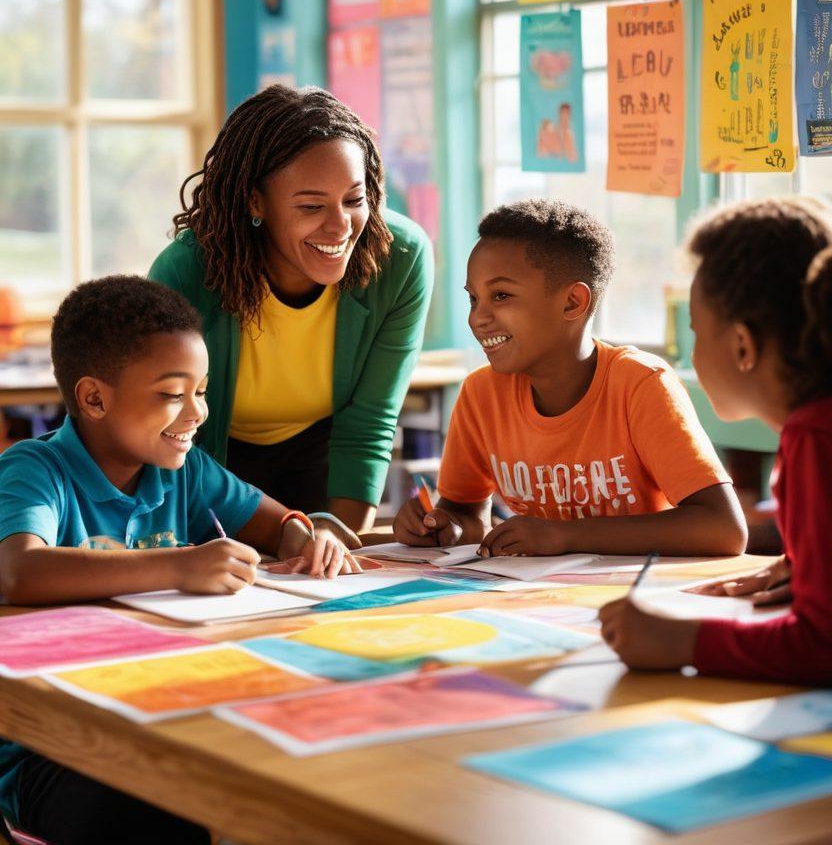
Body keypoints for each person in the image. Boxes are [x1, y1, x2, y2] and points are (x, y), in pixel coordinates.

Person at [0, 275, 356, 845]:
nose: (197, 413)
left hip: (165, 718)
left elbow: (277, 522)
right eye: (172, 393)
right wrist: (180, 565)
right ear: (93, 398)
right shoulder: (36, 471)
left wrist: (304, 537)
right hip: (54, 750)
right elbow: (21, 572)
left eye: (203, 390)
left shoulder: (183, 470)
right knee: (176, 816)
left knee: (289, 783)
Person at [149, 84, 433, 541]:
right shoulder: (186, 272)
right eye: (311, 206)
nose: (340, 225)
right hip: (206, 462)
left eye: (354, 200)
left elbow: (369, 423)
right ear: (255, 201)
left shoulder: (399, 257)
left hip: (323, 457)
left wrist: (337, 540)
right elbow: (164, 429)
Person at [393, 199, 746, 557]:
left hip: (635, 592)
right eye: (473, 299)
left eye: (501, 296)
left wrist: (566, 536)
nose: (477, 318)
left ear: (573, 302)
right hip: (540, 596)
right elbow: (466, 515)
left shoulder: (640, 385)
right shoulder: (481, 393)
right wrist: (441, 526)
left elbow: (724, 529)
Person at [599, 198, 832, 684]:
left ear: (743, 346)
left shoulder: (814, 439)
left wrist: (681, 641)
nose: (695, 355)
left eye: (697, 334)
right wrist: (806, 570)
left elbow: (822, 646)